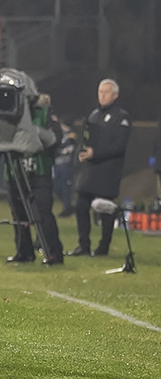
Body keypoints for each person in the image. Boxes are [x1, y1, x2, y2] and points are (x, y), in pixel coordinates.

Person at [66, 79, 131, 257]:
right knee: (81, 205)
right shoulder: (93, 115)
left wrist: (96, 154)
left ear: (115, 95)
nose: (102, 95)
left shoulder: (121, 117)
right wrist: (81, 152)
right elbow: (86, 138)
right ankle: (83, 245)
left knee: (105, 209)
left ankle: (104, 247)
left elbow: (119, 146)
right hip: (91, 170)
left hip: (108, 170)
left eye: (106, 92)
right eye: (100, 92)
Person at [5, 94, 65, 265]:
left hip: (39, 171)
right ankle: (24, 251)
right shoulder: (10, 114)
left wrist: (33, 131)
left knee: (42, 213)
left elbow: (54, 140)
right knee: (18, 215)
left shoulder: (46, 116)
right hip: (15, 171)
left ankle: (53, 252)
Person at [52, 116, 77, 217]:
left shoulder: (71, 135)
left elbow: (68, 147)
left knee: (66, 188)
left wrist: (57, 151)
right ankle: (69, 206)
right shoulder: (61, 134)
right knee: (56, 187)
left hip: (66, 165)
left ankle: (67, 209)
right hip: (58, 165)